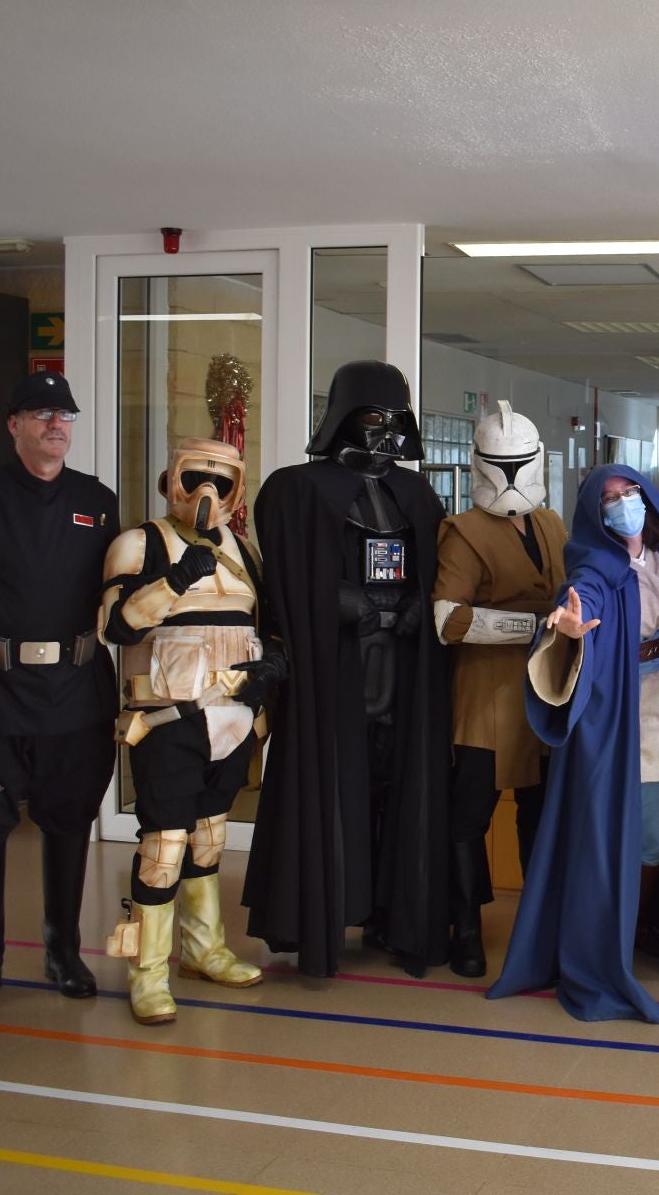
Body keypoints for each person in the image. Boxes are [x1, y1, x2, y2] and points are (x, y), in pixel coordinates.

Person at [487, 465, 659, 1022]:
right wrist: (563, 631)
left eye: (629, 494)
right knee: (604, 835)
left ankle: (637, 924)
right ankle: (599, 947)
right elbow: (578, 606)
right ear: (595, 512)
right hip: (611, 715)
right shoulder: (594, 568)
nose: (621, 505)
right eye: (609, 499)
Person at [243, 361, 452, 978]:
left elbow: (434, 568)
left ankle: (392, 914)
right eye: (372, 417)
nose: (385, 432)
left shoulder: (416, 494)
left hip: (404, 664)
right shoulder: (296, 489)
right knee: (334, 788)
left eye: (396, 418)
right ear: (342, 415)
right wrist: (337, 601)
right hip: (336, 665)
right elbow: (283, 579)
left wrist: (416, 603)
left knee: (394, 785)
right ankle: (325, 913)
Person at [99, 437, 277, 1024]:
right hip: (167, 719)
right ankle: (148, 972)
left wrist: (271, 670)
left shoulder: (244, 551)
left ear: (237, 489)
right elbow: (114, 629)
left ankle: (203, 949)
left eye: (221, 482)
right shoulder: (139, 544)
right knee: (163, 846)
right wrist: (172, 583)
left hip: (233, 718)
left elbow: (264, 625)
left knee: (209, 838)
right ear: (171, 477)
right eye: (196, 477)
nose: (207, 492)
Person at [0, 371, 120, 1013]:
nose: (57, 424)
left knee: (70, 819)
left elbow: (120, 589)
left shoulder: (97, 501)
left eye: (66, 415)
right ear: (14, 424)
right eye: (42, 413)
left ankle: (62, 950)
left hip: (78, 689)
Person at [431, 399, 567, 976]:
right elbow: (446, 619)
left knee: (539, 815)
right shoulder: (461, 531)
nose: (510, 476)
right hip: (486, 696)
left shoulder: (551, 522)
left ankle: (537, 928)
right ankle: (465, 929)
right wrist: (530, 624)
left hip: (546, 692)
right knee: (468, 818)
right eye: (498, 464)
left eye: (519, 463)